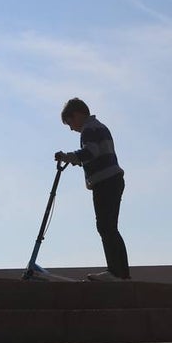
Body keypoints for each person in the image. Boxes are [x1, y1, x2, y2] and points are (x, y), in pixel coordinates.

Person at [54, 98, 130, 281]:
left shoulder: (89, 129)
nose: (72, 128)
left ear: (78, 115)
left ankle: (115, 272)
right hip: (112, 180)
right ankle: (121, 273)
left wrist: (69, 157)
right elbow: (96, 155)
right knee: (110, 227)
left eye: (70, 123)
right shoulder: (98, 126)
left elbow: (91, 152)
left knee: (105, 226)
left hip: (106, 182)